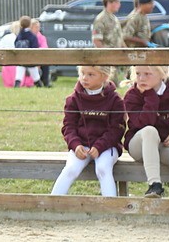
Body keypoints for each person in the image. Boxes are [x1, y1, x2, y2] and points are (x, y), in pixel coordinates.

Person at [51, 65, 125, 197]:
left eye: (91, 74)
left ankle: (111, 209)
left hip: (107, 147)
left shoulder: (115, 100)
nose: (84, 78)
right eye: (82, 73)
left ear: (105, 76)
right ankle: (51, 204)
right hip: (81, 146)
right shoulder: (73, 99)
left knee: (102, 169)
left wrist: (100, 146)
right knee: (71, 169)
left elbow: (116, 130)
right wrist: (76, 145)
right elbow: (69, 127)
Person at [123, 65, 169, 199]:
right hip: (139, 145)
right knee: (150, 131)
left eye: (147, 74)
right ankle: (155, 185)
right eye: (138, 73)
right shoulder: (132, 95)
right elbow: (144, 123)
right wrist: (150, 96)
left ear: (163, 74)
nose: (141, 78)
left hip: (164, 145)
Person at [13, 15, 40, 87]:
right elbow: (35, 47)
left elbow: (15, 44)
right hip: (30, 59)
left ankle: (17, 85)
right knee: (35, 76)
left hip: (21, 59)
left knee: (19, 74)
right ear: (30, 24)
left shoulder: (19, 35)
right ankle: (38, 85)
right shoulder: (32, 36)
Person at [30, 18, 52, 88]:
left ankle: (45, 81)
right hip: (29, 58)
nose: (38, 29)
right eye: (36, 27)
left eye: (39, 27)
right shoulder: (28, 36)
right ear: (31, 27)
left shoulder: (41, 37)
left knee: (45, 63)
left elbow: (45, 47)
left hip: (39, 57)